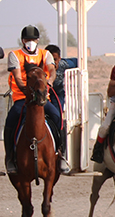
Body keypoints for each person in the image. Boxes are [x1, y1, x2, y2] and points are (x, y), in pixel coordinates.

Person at [4, 25, 68, 174]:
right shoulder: (15, 55)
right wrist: (26, 90)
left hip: (42, 98)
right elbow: (18, 77)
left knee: (57, 117)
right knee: (11, 119)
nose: (30, 42)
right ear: (22, 41)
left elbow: (51, 71)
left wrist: (49, 82)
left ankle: (62, 153)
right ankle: (10, 157)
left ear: (38, 40)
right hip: (22, 98)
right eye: (27, 39)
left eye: (33, 39)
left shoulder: (46, 54)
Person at [44, 44, 77, 110]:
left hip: (58, 93)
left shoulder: (63, 64)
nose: (52, 62)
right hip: (44, 93)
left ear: (59, 58)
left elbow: (77, 61)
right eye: (49, 60)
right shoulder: (41, 66)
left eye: (55, 59)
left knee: (57, 113)